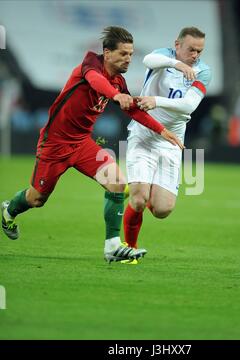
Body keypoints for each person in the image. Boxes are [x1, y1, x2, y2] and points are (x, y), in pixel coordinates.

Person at [1, 26, 183, 263]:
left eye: (131, 54)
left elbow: (134, 111)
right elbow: (96, 82)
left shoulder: (118, 80)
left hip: (82, 144)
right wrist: (115, 95)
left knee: (117, 184)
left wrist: (162, 130)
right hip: (55, 144)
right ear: (107, 53)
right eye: (124, 54)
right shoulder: (90, 66)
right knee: (37, 198)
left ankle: (113, 247)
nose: (129, 59)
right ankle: (8, 211)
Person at [123, 27, 212, 261]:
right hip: (143, 135)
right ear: (177, 45)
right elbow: (147, 59)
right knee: (140, 200)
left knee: (162, 210)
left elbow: (189, 105)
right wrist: (176, 64)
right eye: (191, 49)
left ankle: (134, 187)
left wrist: (156, 101)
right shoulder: (163, 56)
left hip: (171, 142)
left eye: (199, 51)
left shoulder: (203, 71)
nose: (195, 55)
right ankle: (128, 249)